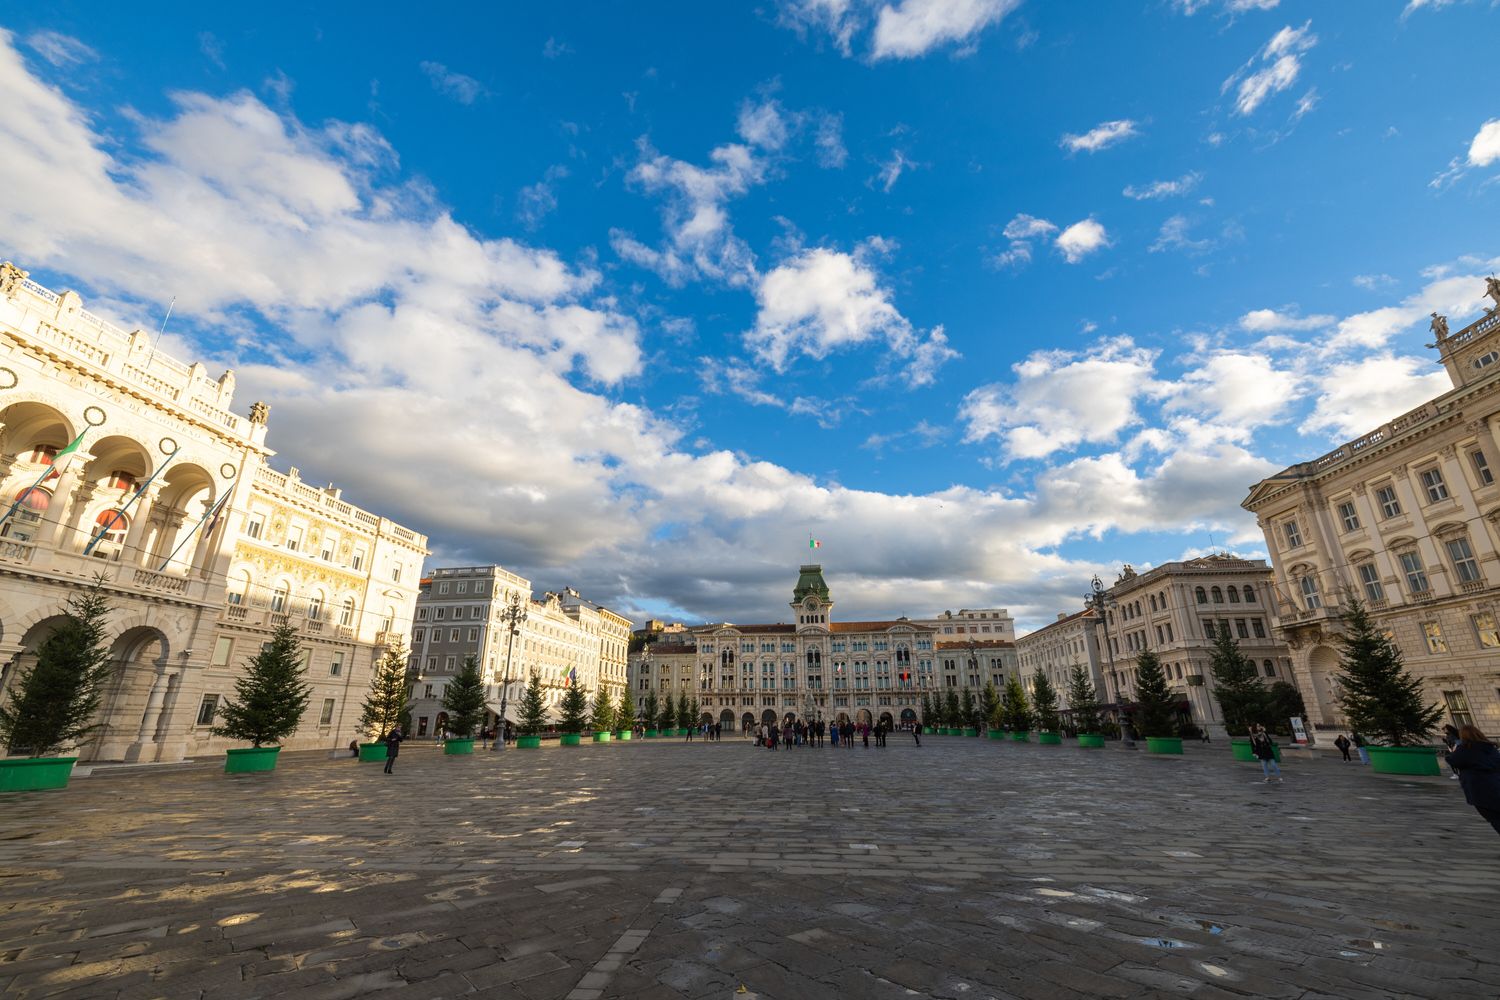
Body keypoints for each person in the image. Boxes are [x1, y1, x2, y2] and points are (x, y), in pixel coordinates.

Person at [1444, 725, 1500, 837]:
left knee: (1494, 818)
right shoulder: (1490, 747)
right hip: (1496, 783)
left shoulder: (1466, 748)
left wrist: (1453, 751)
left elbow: (1453, 760)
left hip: (1479, 788)